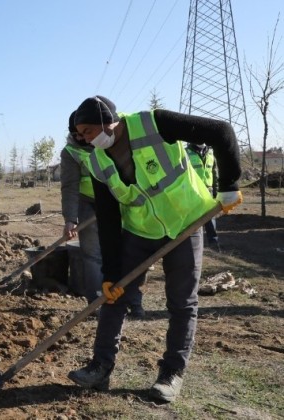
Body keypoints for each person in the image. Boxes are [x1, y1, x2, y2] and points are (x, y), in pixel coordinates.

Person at [67, 96, 242, 403]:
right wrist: (110, 273)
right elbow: (109, 219)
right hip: (141, 230)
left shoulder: (154, 124)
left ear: (106, 121)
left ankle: (171, 374)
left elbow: (222, 132)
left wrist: (229, 184)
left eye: (88, 131)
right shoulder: (96, 161)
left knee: (182, 302)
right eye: (81, 135)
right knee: (115, 294)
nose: (85, 139)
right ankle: (100, 367)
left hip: (186, 221)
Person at [60, 110, 102, 303]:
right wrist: (70, 219)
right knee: (92, 255)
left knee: (124, 251)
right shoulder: (70, 152)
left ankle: (131, 300)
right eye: (76, 134)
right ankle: (96, 300)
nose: (81, 137)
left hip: (118, 202)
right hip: (88, 205)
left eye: (84, 132)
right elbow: (70, 187)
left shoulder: (106, 143)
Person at [186, 142, 220, 249]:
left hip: (208, 190)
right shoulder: (186, 153)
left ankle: (213, 243)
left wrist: (216, 192)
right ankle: (192, 243)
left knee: (210, 217)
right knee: (193, 217)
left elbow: (214, 173)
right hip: (193, 190)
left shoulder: (211, 153)